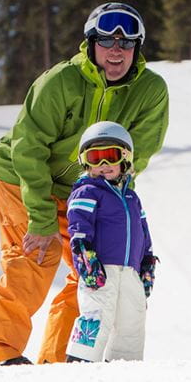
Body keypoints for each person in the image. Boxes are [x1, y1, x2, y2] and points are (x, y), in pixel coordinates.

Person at [0, 3, 170, 366]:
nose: (117, 51)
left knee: (93, 272)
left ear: (137, 48)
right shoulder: (61, 82)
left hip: (89, 187)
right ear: (91, 43)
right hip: (21, 177)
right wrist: (42, 219)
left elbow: (135, 157)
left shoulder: (150, 90)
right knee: (34, 260)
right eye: (107, 41)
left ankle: (60, 362)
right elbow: (28, 148)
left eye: (127, 43)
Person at [63, 121, 158, 362]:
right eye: (95, 158)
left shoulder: (132, 197)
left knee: (132, 321)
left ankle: (124, 367)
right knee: (97, 315)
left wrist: (147, 262)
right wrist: (86, 258)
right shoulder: (87, 191)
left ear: (125, 158)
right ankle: (81, 362)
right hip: (100, 270)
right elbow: (79, 228)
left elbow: (143, 232)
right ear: (85, 162)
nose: (103, 165)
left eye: (110, 156)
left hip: (130, 272)